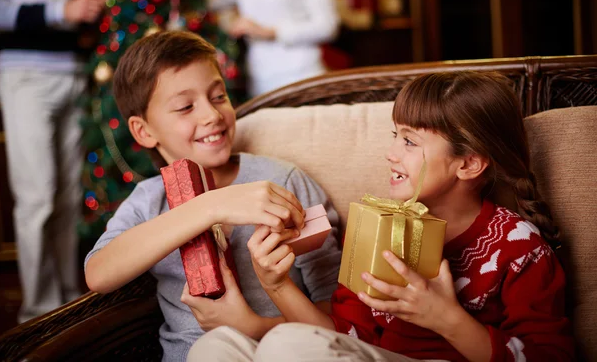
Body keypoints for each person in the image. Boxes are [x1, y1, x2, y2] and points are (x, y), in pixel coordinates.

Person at [189, 72, 575, 361]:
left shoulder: (519, 247)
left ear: (469, 163)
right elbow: (341, 334)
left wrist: (445, 318)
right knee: (217, 345)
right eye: (395, 136)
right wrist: (277, 286)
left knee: (287, 343)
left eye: (409, 141)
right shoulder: (379, 226)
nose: (391, 152)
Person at [84, 31, 342, 362]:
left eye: (218, 96)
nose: (212, 115)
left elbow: (335, 312)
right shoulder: (148, 201)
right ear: (144, 131)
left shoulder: (283, 182)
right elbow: (99, 274)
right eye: (185, 106)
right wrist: (210, 206)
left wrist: (255, 327)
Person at [0, 0, 112, 323]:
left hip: (73, 72)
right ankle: (37, 314)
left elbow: (69, 8)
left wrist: (93, 5)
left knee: (68, 199)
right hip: (26, 76)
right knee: (37, 199)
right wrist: (59, 10)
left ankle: (65, 303)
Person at [207, 0, 339, 97]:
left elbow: (327, 26)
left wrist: (271, 33)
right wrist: (229, 21)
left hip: (302, 73)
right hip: (260, 78)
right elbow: (209, 0)